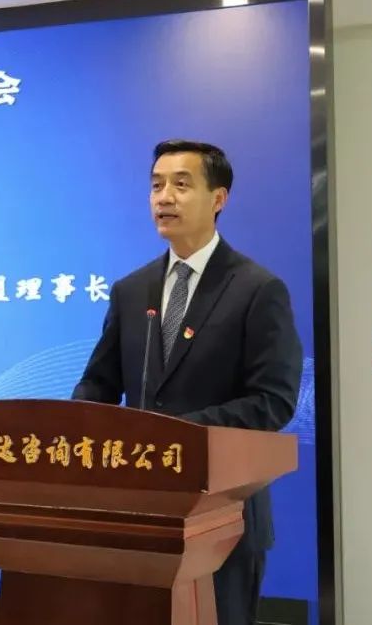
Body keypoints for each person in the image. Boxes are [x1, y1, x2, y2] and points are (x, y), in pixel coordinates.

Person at [71, 139, 303, 625]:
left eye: (181, 184)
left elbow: (272, 401)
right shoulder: (132, 290)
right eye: (156, 186)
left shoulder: (257, 290)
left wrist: (176, 436)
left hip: (222, 520)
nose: (164, 197)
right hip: (138, 513)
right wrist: (77, 429)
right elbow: (98, 383)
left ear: (219, 199)